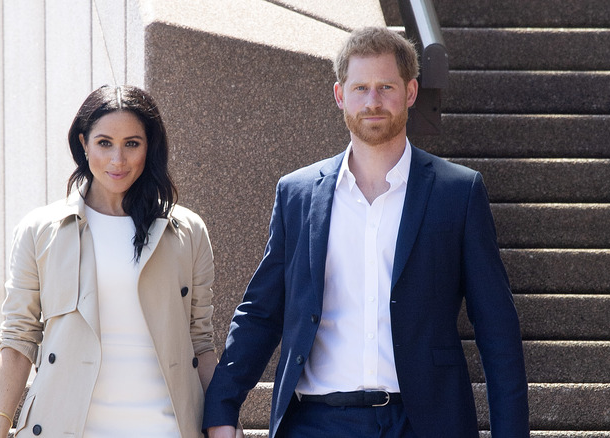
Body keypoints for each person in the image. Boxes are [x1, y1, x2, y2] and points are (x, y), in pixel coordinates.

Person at [203, 27, 529, 438]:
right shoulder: (298, 195)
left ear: (411, 92)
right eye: (360, 88)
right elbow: (261, 314)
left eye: (385, 87)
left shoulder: (458, 193)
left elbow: (497, 330)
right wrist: (222, 407)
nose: (372, 101)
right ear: (340, 95)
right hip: (317, 422)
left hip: (425, 423)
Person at [0, 85, 218, 438]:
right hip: (66, 427)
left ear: (149, 147)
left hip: (167, 427)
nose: (118, 160)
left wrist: (221, 422)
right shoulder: (40, 230)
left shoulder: (186, 231)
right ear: (83, 143)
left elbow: (200, 342)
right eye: (105, 143)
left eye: (132, 144)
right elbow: (18, 338)